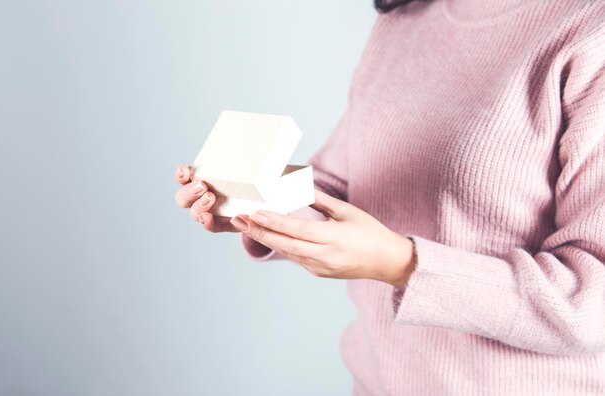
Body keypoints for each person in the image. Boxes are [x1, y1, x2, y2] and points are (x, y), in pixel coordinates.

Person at [175, 0, 605, 394]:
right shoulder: (406, 16)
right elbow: (342, 187)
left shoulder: (590, 33)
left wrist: (402, 263)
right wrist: (252, 205)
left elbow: (594, 303)